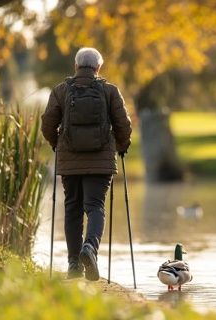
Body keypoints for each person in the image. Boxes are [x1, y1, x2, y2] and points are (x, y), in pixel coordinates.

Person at [41, 47, 132, 280]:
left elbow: (47, 124)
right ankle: (90, 247)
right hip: (100, 162)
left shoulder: (61, 91)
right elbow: (123, 124)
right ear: (98, 68)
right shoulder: (110, 91)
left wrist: (55, 144)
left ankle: (74, 265)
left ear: (76, 66)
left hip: (69, 161)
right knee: (95, 207)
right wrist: (122, 146)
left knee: (72, 209)